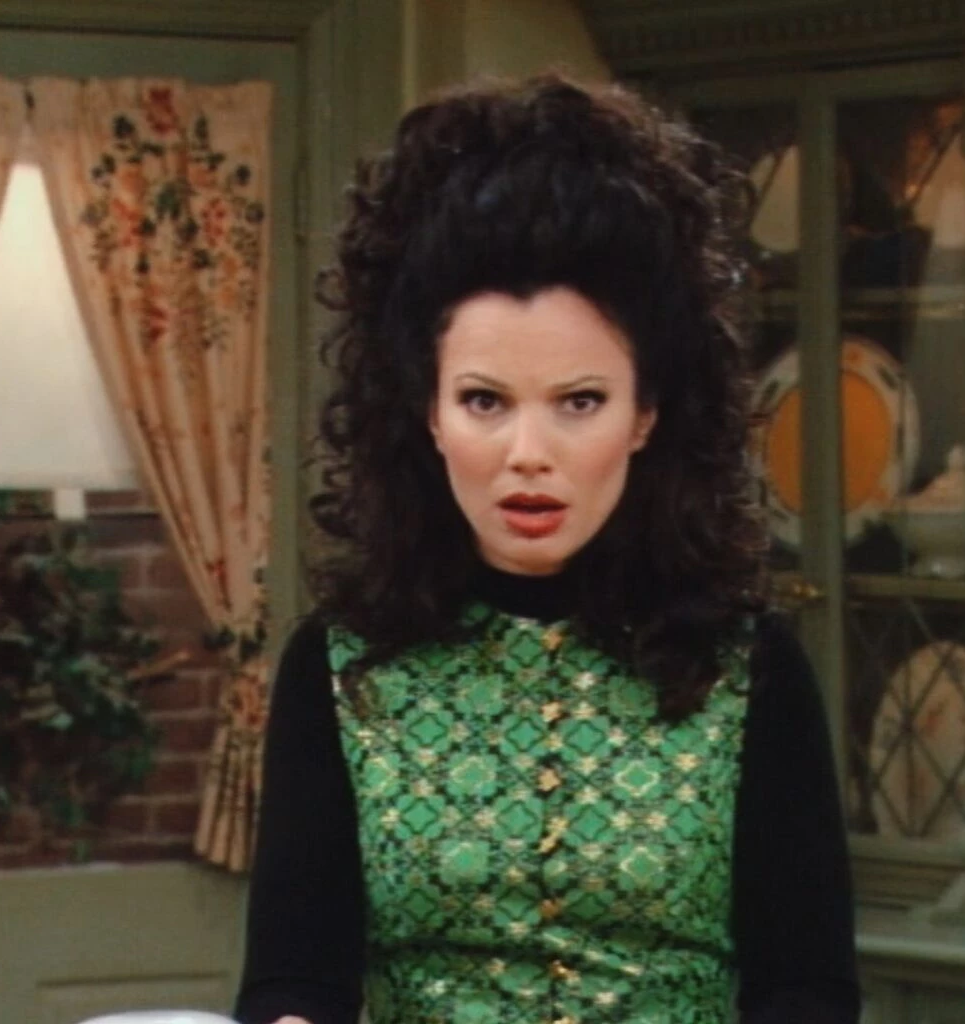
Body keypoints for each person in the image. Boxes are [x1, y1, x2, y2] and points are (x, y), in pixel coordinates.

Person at [234, 74, 860, 1024]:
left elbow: (806, 990)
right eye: (485, 400)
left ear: (645, 414)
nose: (529, 454)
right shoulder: (341, 665)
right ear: (428, 412)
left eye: (580, 402)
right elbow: (295, 979)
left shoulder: (749, 668)